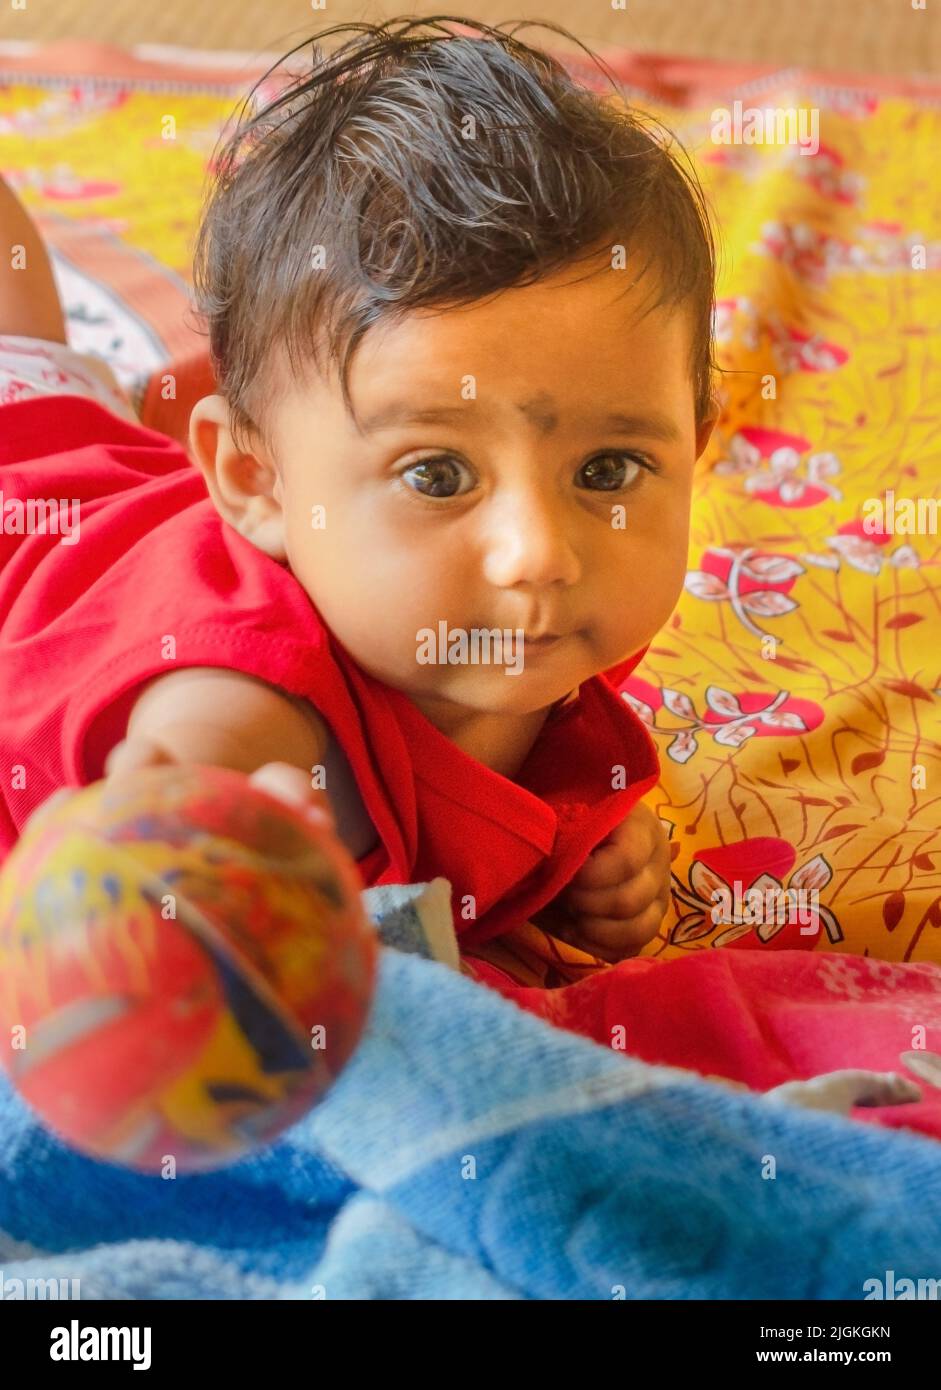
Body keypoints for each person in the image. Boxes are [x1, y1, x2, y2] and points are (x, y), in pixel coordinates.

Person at [0, 17, 717, 965]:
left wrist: (589, 854)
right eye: (437, 475)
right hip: (35, 516)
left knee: (35, 354)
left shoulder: (512, 626)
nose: (539, 549)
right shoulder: (247, 708)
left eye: (606, 471)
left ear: (694, 445)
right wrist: (185, 825)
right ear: (256, 481)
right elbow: (189, 782)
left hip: (95, 475)